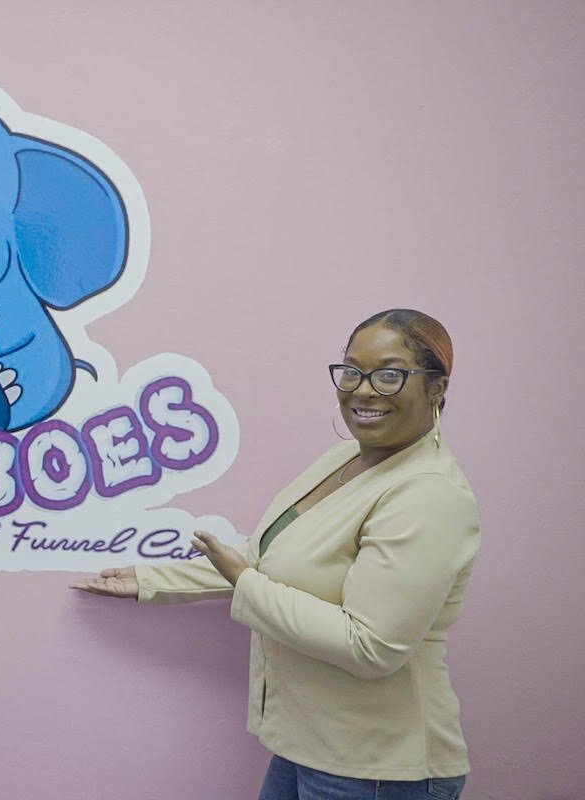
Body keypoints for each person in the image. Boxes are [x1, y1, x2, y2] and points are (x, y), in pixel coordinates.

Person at [72, 309, 479, 800]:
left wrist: (246, 586)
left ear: (437, 388)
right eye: (351, 371)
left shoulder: (429, 496)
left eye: (390, 375)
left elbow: (370, 647)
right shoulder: (347, 457)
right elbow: (272, 557)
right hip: (310, 746)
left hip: (378, 769)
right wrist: (154, 581)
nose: (363, 390)